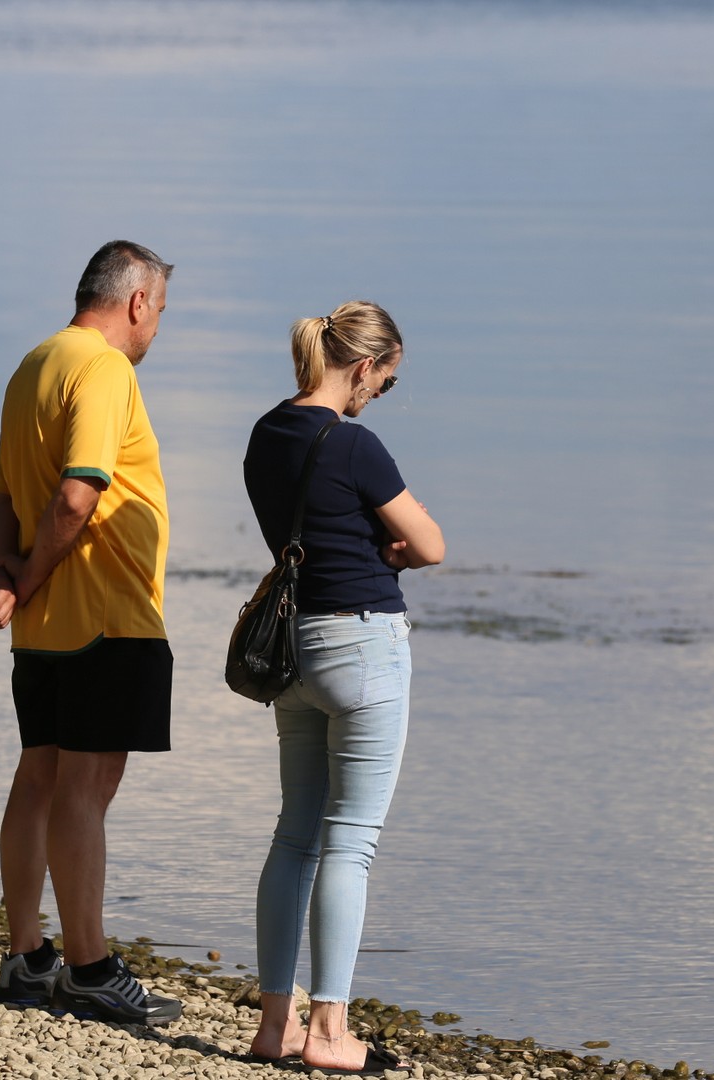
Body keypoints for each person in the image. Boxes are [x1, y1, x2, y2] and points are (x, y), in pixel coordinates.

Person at [0, 240, 181, 1026]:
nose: (156, 330)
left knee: (39, 779)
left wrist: (8, 574)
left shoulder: (32, 366)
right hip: (105, 615)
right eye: (159, 312)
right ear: (136, 301)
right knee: (86, 790)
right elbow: (76, 496)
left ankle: (27, 957)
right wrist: (24, 579)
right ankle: (89, 970)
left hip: (44, 629)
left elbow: (2, 504)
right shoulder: (103, 368)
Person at [242, 300, 445, 1073]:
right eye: (386, 382)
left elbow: (305, 531)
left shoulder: (267, 433)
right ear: (364, 367)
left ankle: (276, 1025)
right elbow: (430, 544)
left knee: (294, 835)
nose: (380, 394)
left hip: (293, 651)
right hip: (362, 646)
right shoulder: (355, 444)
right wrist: (392, 549)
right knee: (350, 842)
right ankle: (330, 1031)